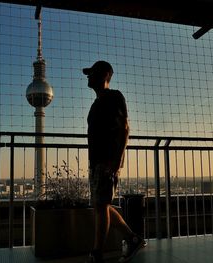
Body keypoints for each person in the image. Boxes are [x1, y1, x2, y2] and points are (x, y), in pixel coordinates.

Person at [84, 61, 145, 263]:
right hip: (97, 162)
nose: (88, 76)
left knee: (101, 206)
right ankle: (132, 238)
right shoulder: (96, 103)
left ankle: (96, 254)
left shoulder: (114, 97)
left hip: (106, 161)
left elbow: (125, 128)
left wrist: (117, 160)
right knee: (101, 205)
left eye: (91, 73)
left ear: (104, 75)